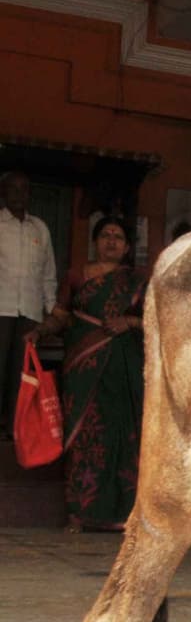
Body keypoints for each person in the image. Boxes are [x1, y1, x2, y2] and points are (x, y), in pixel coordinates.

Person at [25, 216, 145, 531]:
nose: (111, 241)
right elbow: (60, 316)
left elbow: (157, 321)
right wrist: (39, 331)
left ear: (127, 247)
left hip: (123, 372)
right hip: (82, 370)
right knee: (83, 436)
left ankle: (121, 515)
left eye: (118, 237)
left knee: (122, 437)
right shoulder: (76, 276)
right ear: (95, 241)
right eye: (105, 235)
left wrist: (129, 323)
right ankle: (79, 513)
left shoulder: (137, 282)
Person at [0, 169, 56, 439]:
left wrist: (53, 311)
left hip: (30, 313)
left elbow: (48, 274)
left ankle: (15, 429)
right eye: (13, 188)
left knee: (22, 375)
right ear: (3, 193)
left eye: (24, 189)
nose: (19, 194)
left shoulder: (40, 228)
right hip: (1, 309)